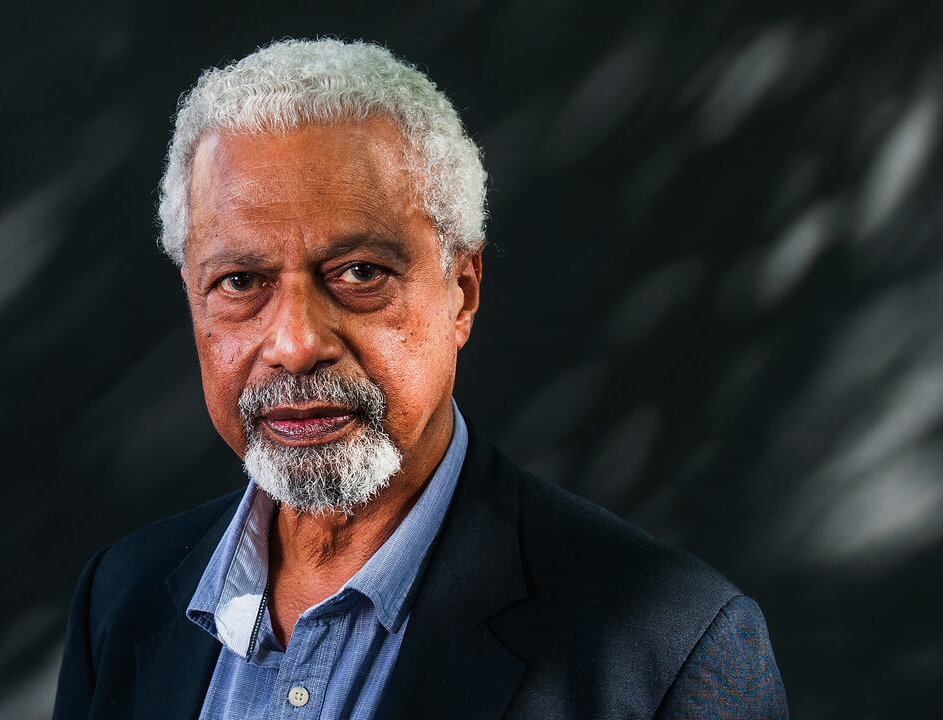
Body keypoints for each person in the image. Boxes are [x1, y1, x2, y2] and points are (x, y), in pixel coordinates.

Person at [52, 39, 787, 719]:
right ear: (192, 297)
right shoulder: (122, 598)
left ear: (461, 291)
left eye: (360, 273)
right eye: (241, 281)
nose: (297, 344)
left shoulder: (671, 651)